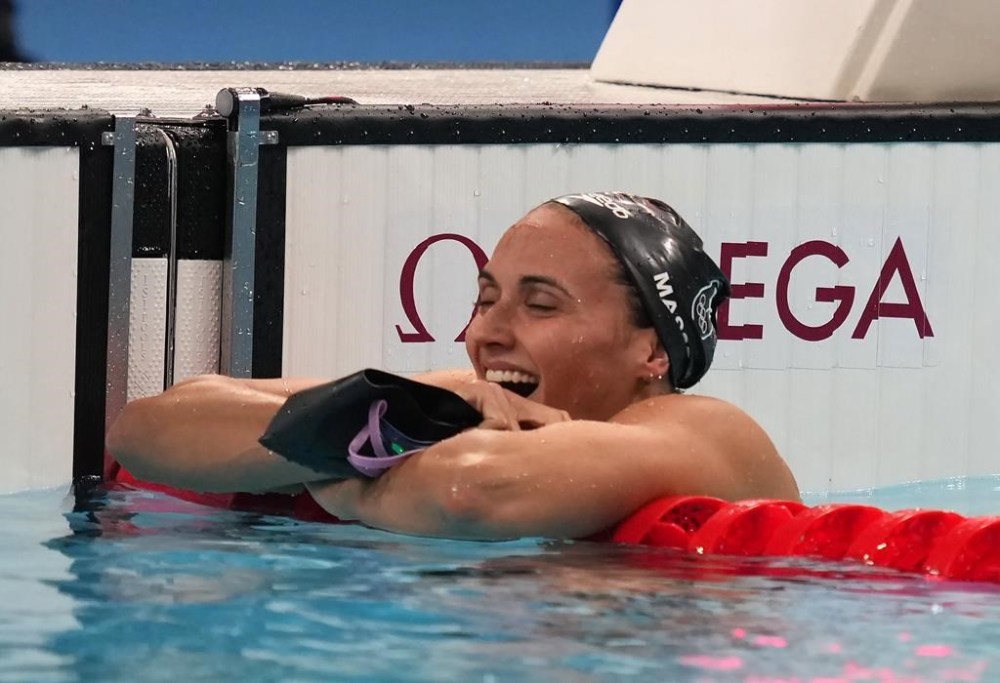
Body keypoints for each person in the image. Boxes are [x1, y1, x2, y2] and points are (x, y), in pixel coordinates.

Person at [107, 192, 799, 540]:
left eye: (541, 305)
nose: (486, 332)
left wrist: (321, 459)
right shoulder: (461, 401)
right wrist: (431, 396)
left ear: (652, 349)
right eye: (486, 297)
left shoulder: (707, 432)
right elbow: (148, 429)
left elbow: (468, 493)